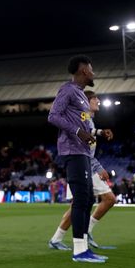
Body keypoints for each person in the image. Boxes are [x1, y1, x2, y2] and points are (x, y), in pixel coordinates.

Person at [47, 55, 107, 263]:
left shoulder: (81, 95)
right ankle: (79, 251)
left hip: (83, 151)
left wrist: (96, 133)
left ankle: (83, 248)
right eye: (91, 70)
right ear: (83, 71)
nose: (93, 73)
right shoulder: (68, 90)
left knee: (88, 199)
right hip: (72, 150)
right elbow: (53, 115)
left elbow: (84, 126)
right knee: (81, 200)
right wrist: (78, 132)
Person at [48, 90, 117, 251]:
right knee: (90, 202)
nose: (98, 101)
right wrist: (99, 168)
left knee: (81, 204)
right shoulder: (81, 118)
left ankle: (61, 238)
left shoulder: (89, 121)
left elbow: (89, 148)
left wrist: (99, 132)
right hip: (82, 165)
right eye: (95, 99)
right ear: (86, 101)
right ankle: (77, 238)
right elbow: (81, 147)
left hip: (88, 165)